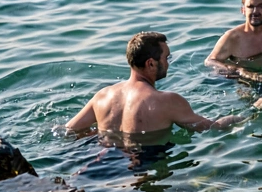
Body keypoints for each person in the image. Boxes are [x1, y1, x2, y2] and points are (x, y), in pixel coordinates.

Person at [66, 32, 248, 134]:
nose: (168, 63)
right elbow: (213, 128)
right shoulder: (167, 101)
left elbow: (69, 130)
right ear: (151, 64)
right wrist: (250, 113)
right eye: (166, 58)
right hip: (142, 167)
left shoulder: (102, 96)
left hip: (101, 162)